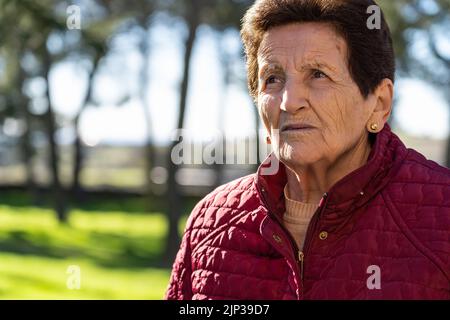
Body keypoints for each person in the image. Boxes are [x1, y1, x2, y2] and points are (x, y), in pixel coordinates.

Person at [165, 0, 450, 299]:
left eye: (317, 74)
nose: (289, 101)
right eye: (272, 79)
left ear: (378, 104)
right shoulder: (210, 222)